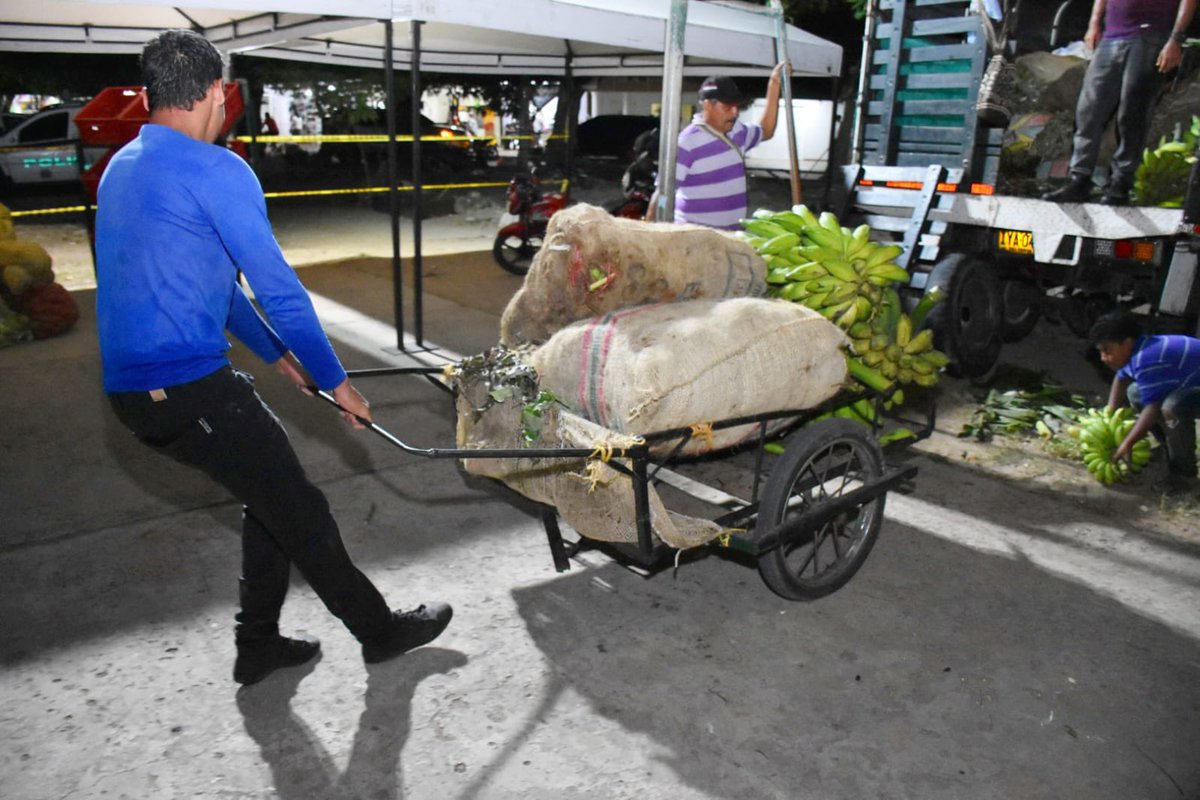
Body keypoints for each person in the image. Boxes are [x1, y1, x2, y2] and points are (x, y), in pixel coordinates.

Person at [95, 30, 452, 686]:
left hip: (134, 395)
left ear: (148, 94)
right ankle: (380, 633)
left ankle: (257, 643)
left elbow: (211, 285)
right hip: (183, 387)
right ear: (215, 94)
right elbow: (279, 289)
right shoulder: (217, 169)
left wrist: (278, 354)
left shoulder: (123, 167)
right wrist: (335, 380)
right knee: (298, 508)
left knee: (271, 496)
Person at [1042, 0, 1196, 206]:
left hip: (1150, 37)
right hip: (1112, 36)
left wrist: (1175, 39)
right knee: (1089, 110)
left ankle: (1120, 182)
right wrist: (1094, 24)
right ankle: (1078, 179)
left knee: (1132, 113)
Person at [647, 62, 789, 229]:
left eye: (736, 106)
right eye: (727, 107)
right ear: (708, 105)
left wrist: (774, 84)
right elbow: (663, 193)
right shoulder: (686, 143)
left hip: (732, 237)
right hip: (697, 241)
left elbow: (766, 131)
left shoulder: (737, 132)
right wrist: (650, 227)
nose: (735, 113)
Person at [1089, 311, 1200, 493]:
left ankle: (1184, 474)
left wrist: (1127, 444)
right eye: (1100, 351)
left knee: (1172, 407)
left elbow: (1153, 408)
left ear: (1126, 343)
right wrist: (1109, 416)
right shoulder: (1140, 349)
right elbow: (1121, 379)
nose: (1103, 358)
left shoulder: (1147, 358)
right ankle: (1170, 451)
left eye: (1107, 350)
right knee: (1135, 392)